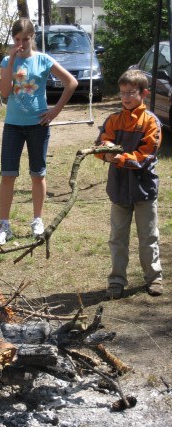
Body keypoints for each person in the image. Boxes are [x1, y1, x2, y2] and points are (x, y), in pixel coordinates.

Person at [0, 18, 78, 246]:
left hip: (38, 125)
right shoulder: (6, 61)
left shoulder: (43, 60)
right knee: (8, 174)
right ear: (13, 39)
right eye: (17, 39)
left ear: (33, 38)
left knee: (38, 174)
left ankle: (37, 220)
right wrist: (10, 61)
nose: (21, 44)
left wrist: (54, 111)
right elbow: (4, 93)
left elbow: (71, 83)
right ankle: (4, 224)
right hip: (13, 125)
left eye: (25, 39)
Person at [95, 69, 163, 299]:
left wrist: (119, 158)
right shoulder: (113, 119)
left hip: (144, 189)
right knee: (117, 237)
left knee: (148, 236)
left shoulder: (151, 122)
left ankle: (154, 278)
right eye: (122, 92)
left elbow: (145, 156)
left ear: (144, 93)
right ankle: (116, 281)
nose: (125, 97)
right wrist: (105, 154)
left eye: (131, 93)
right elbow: (102, 143)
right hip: (119, 188)